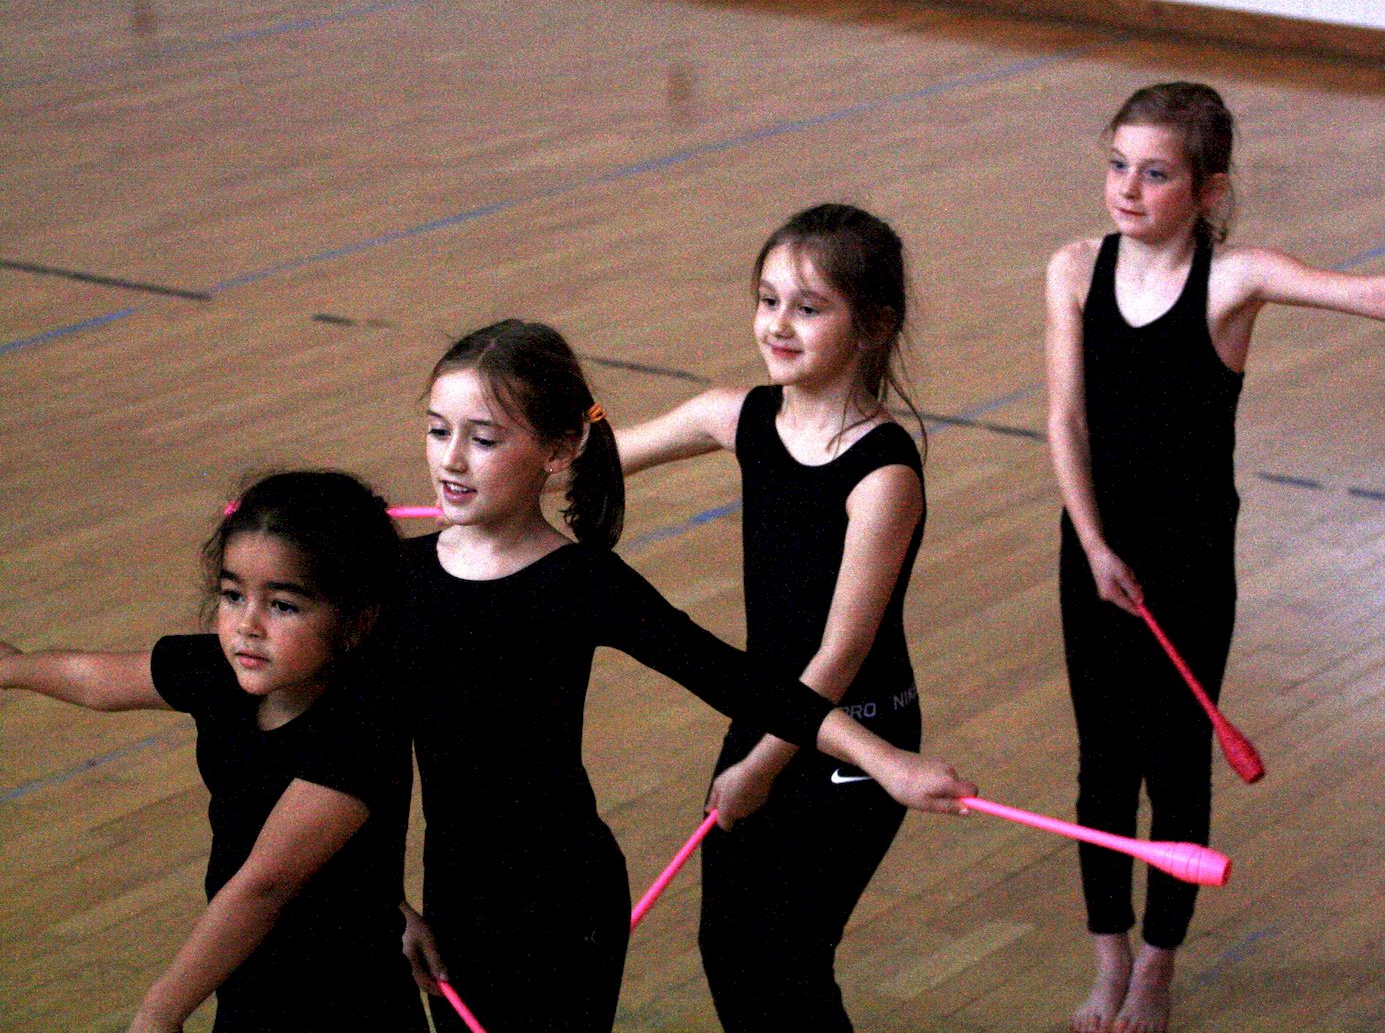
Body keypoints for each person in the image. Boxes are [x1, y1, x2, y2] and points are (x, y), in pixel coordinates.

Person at [1044, 81, 1385, 1033]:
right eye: (1118, 165)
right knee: (1101, 765)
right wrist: (1091, 544)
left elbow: (1371, 294)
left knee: (1176, 765)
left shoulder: (1233, 281)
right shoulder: (1074, 269)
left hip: (1189, 562)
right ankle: (1109, 958)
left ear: (1209, 191)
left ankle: (1158, 967)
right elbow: (1066, 420)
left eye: (1157, 174)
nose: (1127, 188)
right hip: (1092, 552)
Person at [392, 318, 974, 1033]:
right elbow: (357, 757)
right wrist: (392, 903)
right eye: (437, 431)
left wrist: (885, 761)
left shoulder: (581, 583)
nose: (451, 460)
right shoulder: (399, 579)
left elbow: (739, 681)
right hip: (451, 906)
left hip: (568, 904)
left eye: (482, 439)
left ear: (560, 450)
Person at [617, 203, 928, 1031]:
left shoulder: (883, 474)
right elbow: (594, 460)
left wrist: (758, 767)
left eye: (809, 307)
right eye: (767, 300)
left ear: (873, 326)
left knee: (789, 958)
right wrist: (495, 464)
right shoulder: (739, 417)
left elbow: (841, 653)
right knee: (728, 948)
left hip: (856, 733)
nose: (778, 325)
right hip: (770, 716)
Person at [0, 471, 426, 1032]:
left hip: (347, 999)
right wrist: (12, 667)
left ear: (357, 619)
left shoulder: (359, 734)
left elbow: (263, 886)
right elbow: (100, 681)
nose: (247, 625)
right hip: (251, 977)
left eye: (283, 606)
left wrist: (160, 1012)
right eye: (232, 596)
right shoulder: (223, 673)